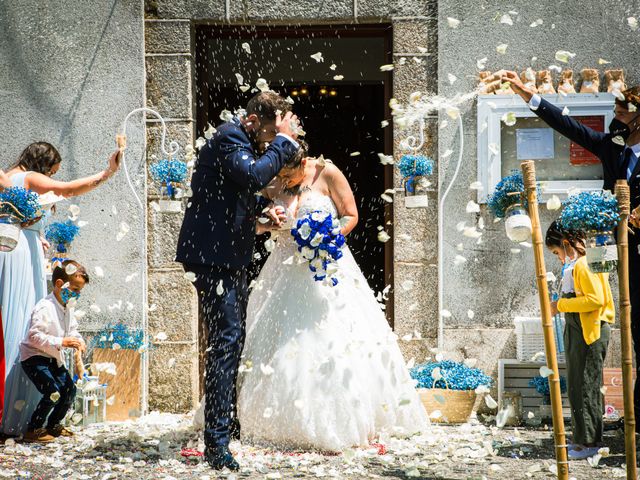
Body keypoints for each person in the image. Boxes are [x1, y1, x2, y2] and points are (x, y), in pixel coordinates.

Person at [236, 146, 429, 451]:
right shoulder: (273, 179)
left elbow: (350, 214)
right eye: (281, 175)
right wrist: (270, 215)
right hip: (284, 269)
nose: (286, 179)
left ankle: (348, 419)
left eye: (291, 174)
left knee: (338, 337)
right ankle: (278, 423)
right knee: (277, 343)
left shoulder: (327, 172)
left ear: (303, 161)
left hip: (329, 267)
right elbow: (257, 217)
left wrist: (329, 237)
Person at [500, 70, 640, 424]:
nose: (616, 116)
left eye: (622, 110)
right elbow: (571, 128)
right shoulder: (614, 150)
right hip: (623, 256)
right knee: (635, 331)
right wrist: (529, 97)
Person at [176, 91, 300, 470]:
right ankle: (217, 441)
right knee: (226, 341)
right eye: (270, 130)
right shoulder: (230, 135)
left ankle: (221, 430)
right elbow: (251, 174)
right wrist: (286, 141)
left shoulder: (243, 142)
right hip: (213, 256)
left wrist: (267, 210)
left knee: (230, 340)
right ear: (254, 119)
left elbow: (239, 189)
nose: (271, 139)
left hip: (228, 254)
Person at [1, 141, 120, 435]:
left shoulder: (9, 177)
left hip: (20, 248)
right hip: (19, 253)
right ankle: (17, 410)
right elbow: (67, 189)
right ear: (42, 166)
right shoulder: (28, 178)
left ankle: (15, 407)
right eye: (52, 171)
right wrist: (106, 173)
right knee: (19, 318)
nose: (53, 176)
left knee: (14, 318)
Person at [546, 221, 614, 459]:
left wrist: (560, 305)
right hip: (579, 327)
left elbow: (595, 300)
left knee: (586, 385)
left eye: (556, 252)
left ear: (566, 243)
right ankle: (581, 439)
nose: (558, 258)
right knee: (577, 384)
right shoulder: (582, 263)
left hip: (589, 330)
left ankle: (589, 442)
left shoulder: (585, 264)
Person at [19, 260, 88, 443]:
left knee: (69, 390)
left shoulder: (68, 308)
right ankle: (33, 429)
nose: (77, 294)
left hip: (53, 357)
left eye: (79, 290)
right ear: (59, 284)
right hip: (34, 357)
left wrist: (78, 341)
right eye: (74, 289)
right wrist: (62, 341)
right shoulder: (45, 307)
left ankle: (54, 425)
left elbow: (72, 330)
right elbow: (34, 336)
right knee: (52, 391)